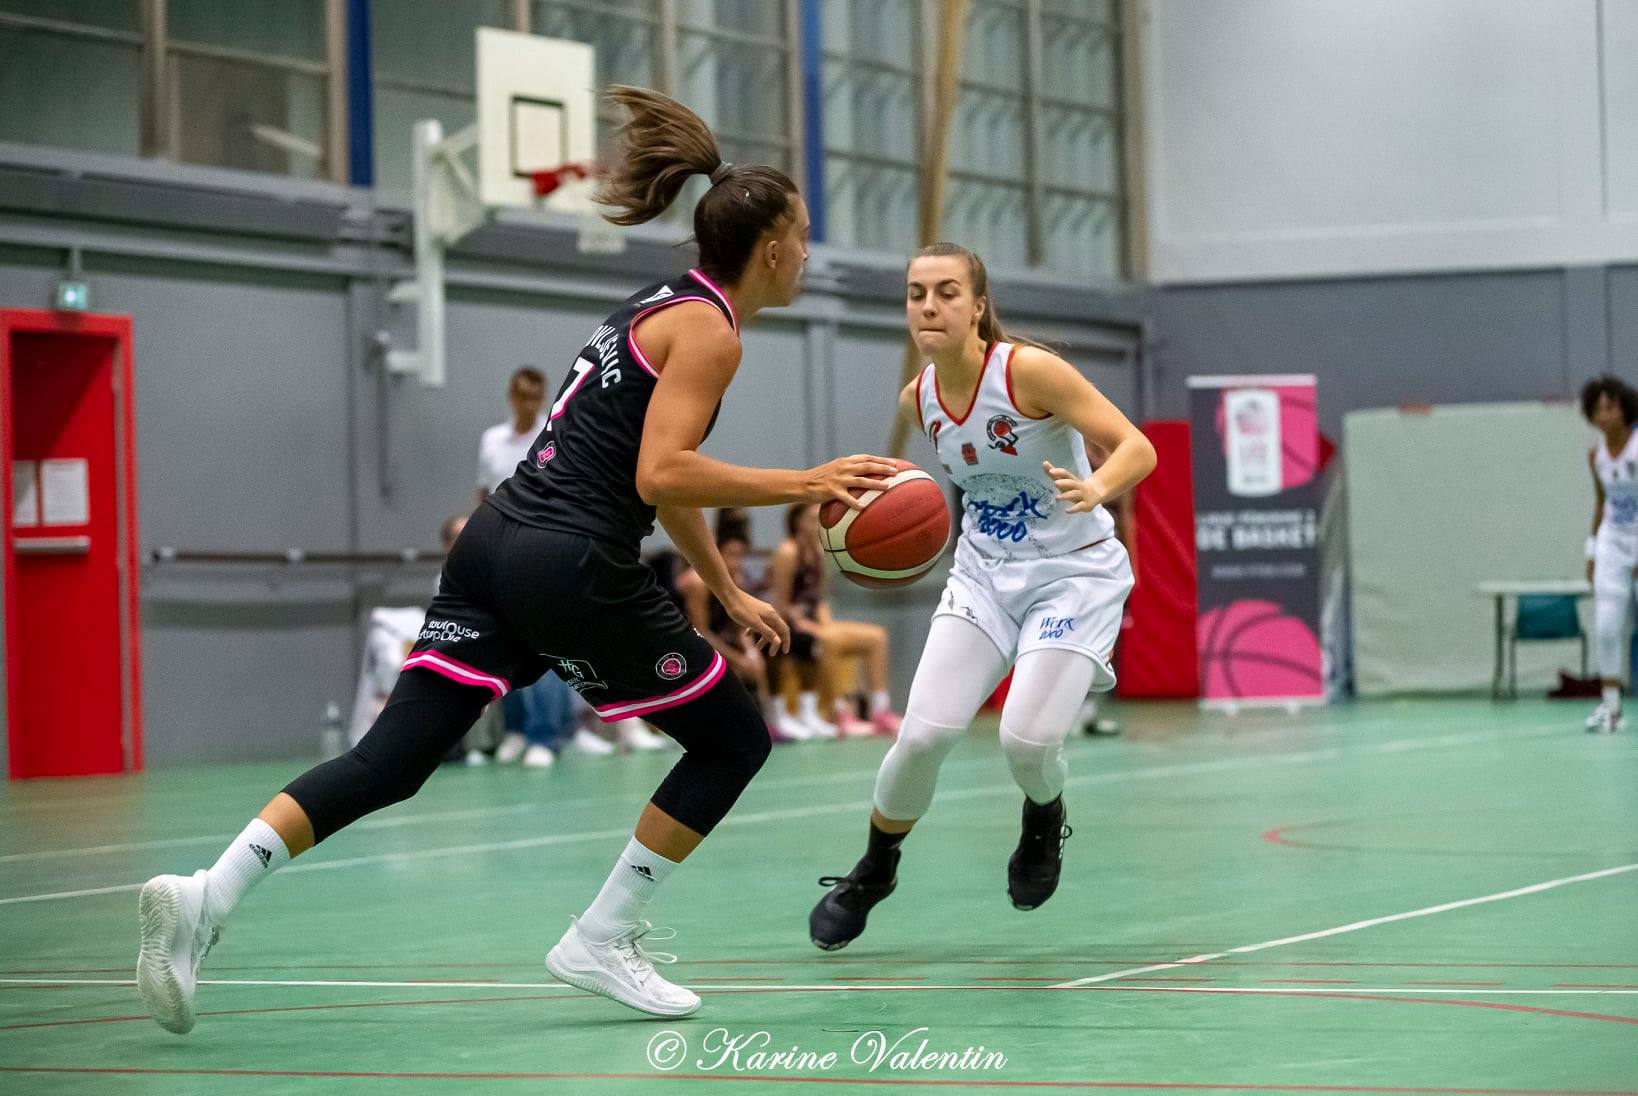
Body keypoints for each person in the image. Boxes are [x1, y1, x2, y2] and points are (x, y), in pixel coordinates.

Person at [135, 84, 897, 1030]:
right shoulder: (711, 332)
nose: (810, 253)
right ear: (773, 247)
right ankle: (601, 937)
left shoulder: (659, 304)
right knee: (733, 740)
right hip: (570, 557)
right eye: (805, 236)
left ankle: (207, 895)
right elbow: (662, 471)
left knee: (392, 759)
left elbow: (658, 481)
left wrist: (728, 592)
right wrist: (806, 480)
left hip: (495, 543)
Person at [809, 242, 1156, 950]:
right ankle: (875, 868)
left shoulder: (1029, 372)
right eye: (916, 293)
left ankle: (1043, 817)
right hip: (983, 576)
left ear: (977, 307)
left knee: (1025, 740)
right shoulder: (917, 400)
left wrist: (1096, 487)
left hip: (1073, 575)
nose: (929, 306)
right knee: (922, 736)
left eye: (946, 292)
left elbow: (1137, 447)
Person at [769, 503, 902, 736]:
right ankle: (840, 712)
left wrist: (826, 625)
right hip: (792, 625)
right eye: (812, 519)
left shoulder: (818, 553)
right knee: (829, 640)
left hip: (814, 622)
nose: (817, 525)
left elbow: (819, 600)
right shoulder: (788, 552)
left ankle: (880, 709)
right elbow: (781, 604)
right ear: (798, 522)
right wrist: (806, 625)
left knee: (876, 637)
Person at [678, 527, 814, 741]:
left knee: (760, 662)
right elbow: (700, 632)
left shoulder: (736, 580)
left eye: (741, 556)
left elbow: (740, 627)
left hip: (722, 641)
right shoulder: (698, 583)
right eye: (732, 555)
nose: (738, 562)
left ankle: (771, 723)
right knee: (731, 669)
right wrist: (737, 659)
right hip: (692, 645)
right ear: (716, 553)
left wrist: (750, 653)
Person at [1581, 375, 1638, 734]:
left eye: (1611, 408)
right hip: (1613, 541)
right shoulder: (1595, 456)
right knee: (1605, 624)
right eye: (1598, 409)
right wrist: (1592, 550)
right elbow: (1601, 503)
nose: (1604, 415)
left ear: (1625, 409)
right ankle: (1611, 708)